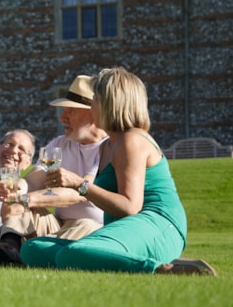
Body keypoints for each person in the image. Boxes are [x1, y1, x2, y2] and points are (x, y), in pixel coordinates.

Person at [19, 67, 216, 275]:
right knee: (33, 249)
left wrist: (79, 184)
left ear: (109, 103)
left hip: (159, 225)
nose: (91, 104)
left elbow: (130, 206)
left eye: (94, 99)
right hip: (125, 229)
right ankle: (137, 257)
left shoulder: (131, 140)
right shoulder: (107, 145)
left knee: (71, 254)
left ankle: (162, 269)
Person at [0, 76, 108, 265]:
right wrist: (18, 189)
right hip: (57, 223)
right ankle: (10, 248)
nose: (62, 117)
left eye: (70, 111)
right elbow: (36, 177)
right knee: (16, 200)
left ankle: (3, 255)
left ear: (92, 114)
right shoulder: (60, 143)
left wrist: (27, 198)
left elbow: (79, 193)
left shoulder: (107, 148)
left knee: (80, 226)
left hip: (90, 227)